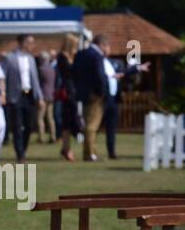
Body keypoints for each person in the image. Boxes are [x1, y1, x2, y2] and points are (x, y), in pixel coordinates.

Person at [102, 52, 151, 160]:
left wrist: (138, 68)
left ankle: (111, 152)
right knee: (95, 126)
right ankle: (91, 152)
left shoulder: (113, 62)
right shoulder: (97, 62)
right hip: (101, 99)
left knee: (112, 126)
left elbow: (123, 72)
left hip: (113, 99)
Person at [72, 33, 111, 161]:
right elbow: (100, 75)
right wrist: (102, 92)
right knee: (92, 125)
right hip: (95, 95)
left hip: (83, 94)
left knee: (88, 123)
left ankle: (88, 152)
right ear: (102, 44)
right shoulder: (96, 56)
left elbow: (74, 74)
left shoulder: (80, 54)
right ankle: (90, 154)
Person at [2, 34, 40, 160]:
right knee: (17, 126)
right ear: (23, 43)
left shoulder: (31, 59)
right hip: (15, 95)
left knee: (29, 126)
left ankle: (23, 148)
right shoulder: (10, 58)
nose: (33, 45)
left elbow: (35, 79)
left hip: (29, 94)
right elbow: (4, 77)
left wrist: (40, 96)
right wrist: (3, 94)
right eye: (31, 42)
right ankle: (20, 154)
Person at [54, 34, 81, 161]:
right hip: (68, 92)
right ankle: (67, 148)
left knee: (68, 122)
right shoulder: (62, 57)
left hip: (73, 90)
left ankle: (66, 148)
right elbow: (69, 72)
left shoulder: (71, 57)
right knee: (69, 120)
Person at [37, 49, 56, 144]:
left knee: (40, 117)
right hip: (51, 95)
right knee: (50, 118)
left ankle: (41, 137)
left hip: (43, 96)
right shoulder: (52, 69)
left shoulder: (41, 69)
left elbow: (39, 83)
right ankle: (53, 136)